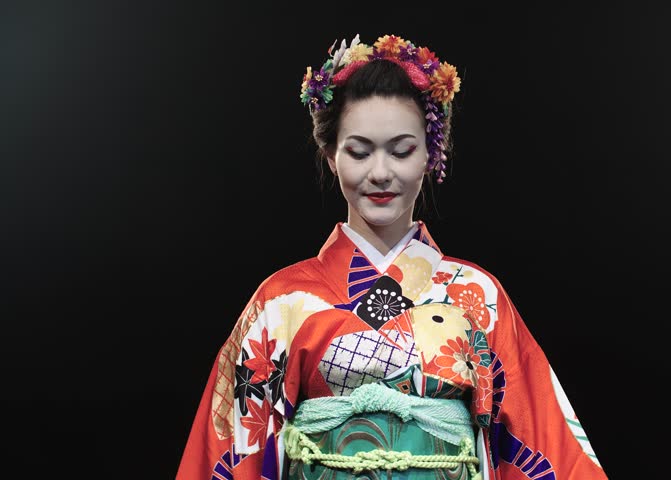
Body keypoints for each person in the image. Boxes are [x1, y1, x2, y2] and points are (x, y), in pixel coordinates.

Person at [177, 33, 608, 480]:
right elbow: (231, 450)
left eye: (402, 151)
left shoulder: (478, 295)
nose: (380, 173)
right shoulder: (281, 300)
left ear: (430, 154)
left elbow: (541, 445)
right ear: (331, 156)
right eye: (359, 152)